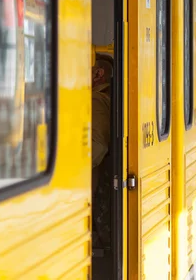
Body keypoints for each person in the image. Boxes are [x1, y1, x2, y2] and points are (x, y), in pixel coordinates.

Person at [91, 57, 113, 248]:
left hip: (93, 181)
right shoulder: (108, 97)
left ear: (98, 74)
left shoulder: (97, 100)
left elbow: (97, 146)